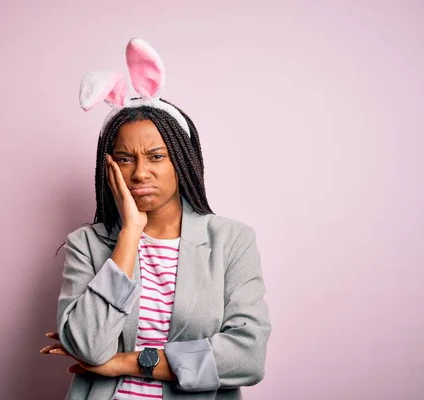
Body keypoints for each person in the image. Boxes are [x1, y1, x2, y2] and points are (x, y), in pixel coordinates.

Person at [40, 38, 271, 400]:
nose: (140, 173)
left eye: (156, 156)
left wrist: (127, 362)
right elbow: (87, 346)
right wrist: (130, 233)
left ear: (181, 159)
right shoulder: (86, 244)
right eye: (126, 159)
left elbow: (248, 357)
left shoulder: (231, 241)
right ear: (110, 166)